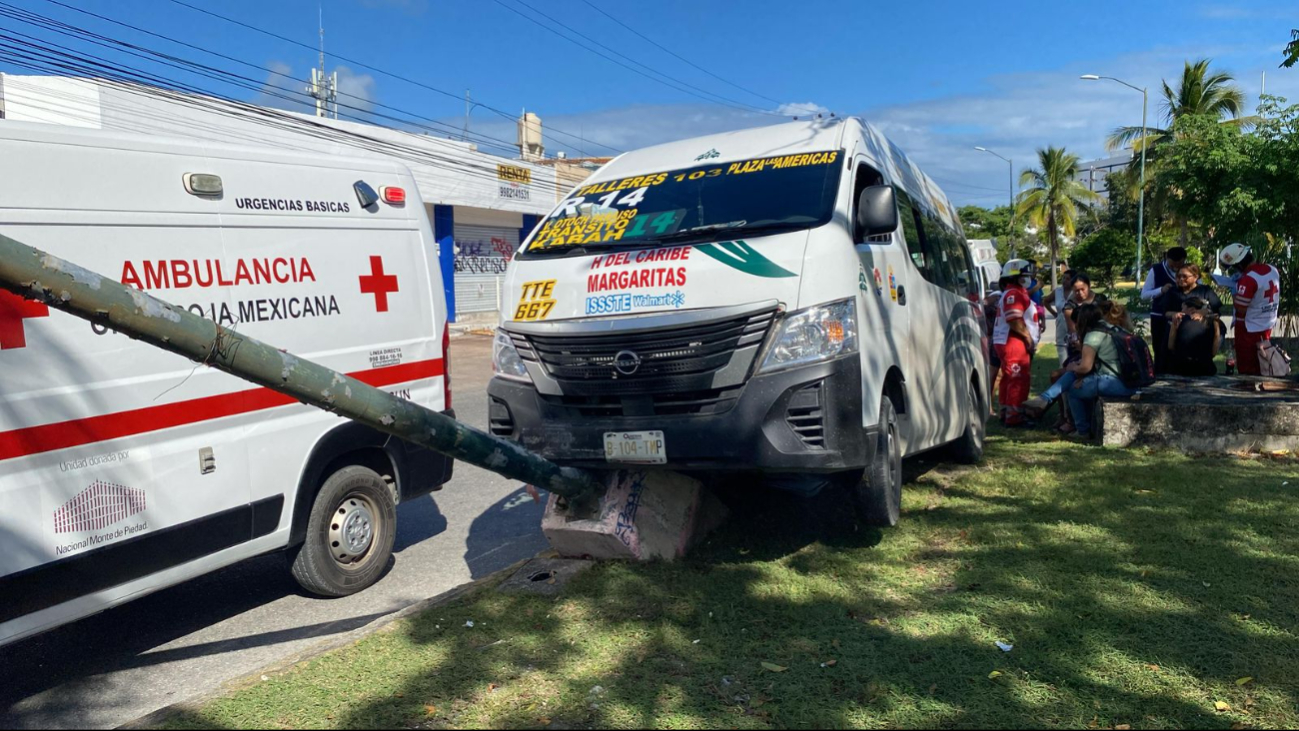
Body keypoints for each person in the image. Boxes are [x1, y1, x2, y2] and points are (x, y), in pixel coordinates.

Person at [1064, 302, 1138, 439]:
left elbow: (1086, 366)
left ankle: (1082, 430)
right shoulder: (1118, 330)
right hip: (1132, 381)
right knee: (1076, 382)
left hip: (1115, 382)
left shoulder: (1094, 335)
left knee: (1073, 391)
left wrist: (1074, 368)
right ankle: (1045, 398)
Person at [1220, 243, 1281, 376]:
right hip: (1266, 323)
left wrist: (1234, 291)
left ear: (1239, 265)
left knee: (1248, 367)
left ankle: (1248, 393)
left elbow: (1241, 308)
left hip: (1248, 327)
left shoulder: (1248, 279)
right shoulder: (1272, 269)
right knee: (1264, 362)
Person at [992, 259, 1036, 426]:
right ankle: (1014, 417)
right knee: (1018, 378)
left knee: (1009, 378)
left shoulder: (1015, 292)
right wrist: (1027, 337)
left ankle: (1005, 411)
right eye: (1025, 275)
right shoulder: (1014, 295)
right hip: (1013, 342)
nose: (1028, 278)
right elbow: (1014, 319)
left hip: (1009, 341)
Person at [1140, 246, 1189, 374]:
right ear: (1167, 259)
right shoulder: (1156, 270)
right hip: (1159, 316)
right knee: (1161, 350)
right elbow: (1144, 294)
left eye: (1180, 264)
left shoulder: (1188, 271)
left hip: (1182, 317)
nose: (1176, 267)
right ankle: (1160, 375)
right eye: (1173, 264)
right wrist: (1161, 290)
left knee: (1180, 349)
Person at [1167, 296, 1221, 376]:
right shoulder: (1214, 322)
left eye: (1183, 308)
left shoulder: (1178, 320)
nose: (1181, 311)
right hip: (1206, 368)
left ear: (1191, 309)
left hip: (1181, 368)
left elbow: (1170, 346)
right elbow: (1214, 351)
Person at [1044, 269, 1076, 367]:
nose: (1064, 281)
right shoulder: (1057, 291)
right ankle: (1063, 371)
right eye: (1063, 278)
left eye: (1068, 279)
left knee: (1075, 348)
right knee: (1062, 350)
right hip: (1061, 324)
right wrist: (1055, 314)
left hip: (1074, 324)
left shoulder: (1076, 291)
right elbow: (1046, 301)